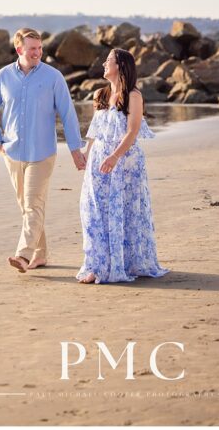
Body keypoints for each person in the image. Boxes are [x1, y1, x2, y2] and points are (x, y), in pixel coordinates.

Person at [0, 27, 86, 273]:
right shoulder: (3, 77)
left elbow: (68, 114)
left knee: (32, 205)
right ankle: (40, 254)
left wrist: (75, 150)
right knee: (28, 207)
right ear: (19, 49)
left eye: (40, 48)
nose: (38, 53)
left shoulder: (53, 77)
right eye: (32, 49)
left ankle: (23, 255)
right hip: (13, 152)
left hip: (42, 153)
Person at [77, 48, 168, 284]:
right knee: (93, 211)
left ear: (120, 66)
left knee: (125, 211)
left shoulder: (133, 96)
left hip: (125, 163)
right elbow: (95, 131)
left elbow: (132, 131)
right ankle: (97, 265)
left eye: (108, 61)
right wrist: (86, 154)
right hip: (99, 162)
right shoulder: (101, 94)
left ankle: (125, 263)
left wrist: (115, 156)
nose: (104, 64)